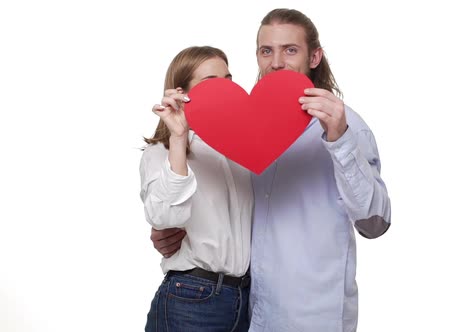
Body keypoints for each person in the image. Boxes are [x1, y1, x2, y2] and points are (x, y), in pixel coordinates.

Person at [151, 8, 391, 332]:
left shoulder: (348, 127)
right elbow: (226, 205)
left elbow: (375, 223)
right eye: (267, 51)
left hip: (312, 318)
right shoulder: (247, 131)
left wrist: (340, 140)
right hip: (251, 313)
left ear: (315, 56)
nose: (276, 62)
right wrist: (173, 231)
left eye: (290, 50)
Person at [140, 46, 252, 332]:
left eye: (228, 79)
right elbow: (164, 218)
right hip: (192, 297)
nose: (225, 89)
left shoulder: (242, 151)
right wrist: (178, 138)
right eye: (211, 82)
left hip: (244, 299)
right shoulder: (161, 152)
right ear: (183, 92)